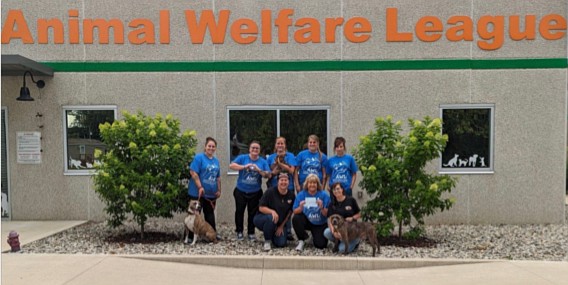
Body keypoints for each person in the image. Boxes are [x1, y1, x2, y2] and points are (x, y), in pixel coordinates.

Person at [229, 141, 271, 241]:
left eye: (257, 148)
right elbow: (231, 165)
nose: (255, 150)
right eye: (253, 148)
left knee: (252, 213)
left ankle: (251, 233)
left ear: (259, 150)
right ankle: (239, 232)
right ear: (249, 149)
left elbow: (268, 175)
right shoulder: (243, 158)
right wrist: (244, 167)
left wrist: (258, 170)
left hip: (255, 192)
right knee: (239, 212)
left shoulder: (262, 161)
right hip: (241, 190)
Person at [187, 137, 221, 242]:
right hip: (197, 193)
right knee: (195, 215)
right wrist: (200, 187)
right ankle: (190, 237)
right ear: (205, 147)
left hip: (211, 194)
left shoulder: (216, 161)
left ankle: (212, 235)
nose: (211, 148)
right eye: (209, 146)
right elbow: (193, 172)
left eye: (213, 146)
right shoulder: (199, 158)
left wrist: (219, 190)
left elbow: (218, 177)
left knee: (210, 214)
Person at [253, 172, 296, 251]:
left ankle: (271, 232)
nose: (283, 182)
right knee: (271, 218)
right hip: (262, 218)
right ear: (278, 182)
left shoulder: (291, 195)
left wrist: (281, 226)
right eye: (281, 180)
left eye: (285, 180)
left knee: (281, 243)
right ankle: (267, 241)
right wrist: (272, 211)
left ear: (289, 182)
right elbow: (261, 208)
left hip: (279, 223)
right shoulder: (270, 192)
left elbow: (290, 212)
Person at [267, 136, 297, 240]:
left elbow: (292, 170)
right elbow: (269, 173)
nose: (280, 145)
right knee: (274, 209)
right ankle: (272, 229)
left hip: (289, 187)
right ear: (275, 145)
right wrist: (275, 166)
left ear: (285, 145)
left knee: (288, 209)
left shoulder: (291, 156)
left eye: (282, 143)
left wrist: (280, 163)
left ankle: (288, 231)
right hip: (274, 188)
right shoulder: (271, 157)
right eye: (278, 143)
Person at [292, 174, 331, 251]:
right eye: (310, 183)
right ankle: (301, 240)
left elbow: (327, 214)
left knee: (321, 245)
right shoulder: (301, 194)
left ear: (317, 184)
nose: (312, 185)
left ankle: (314, 235)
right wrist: (300, 207)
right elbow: (295, 211)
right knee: (296, 218)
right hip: (307, 221)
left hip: (320, 222)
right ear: (307, 184)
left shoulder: (324, 195)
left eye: (314, 183)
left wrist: (322, 207)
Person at [323, 182, 362, 253]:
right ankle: (339, 241)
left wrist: (353, 218)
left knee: (341, 250)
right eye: (334, 190)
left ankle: (355, 242)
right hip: (339, 229)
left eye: (338, 189)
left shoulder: (351, 200)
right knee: (327, 232)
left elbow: (359, 214)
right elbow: (329, 219)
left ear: (342, 189)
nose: (336, 191)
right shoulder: (332, 204)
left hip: (351, 231)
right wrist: (333, 231)